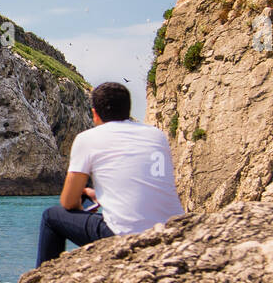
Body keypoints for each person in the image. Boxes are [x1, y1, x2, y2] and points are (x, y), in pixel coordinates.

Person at [35, 81, 184, 267]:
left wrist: (82, 200)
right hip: (172, 230)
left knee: (51, 217)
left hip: (126, 236)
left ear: (94, 113)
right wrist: (98, 195)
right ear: (128, 109)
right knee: (88, 198)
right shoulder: (157, 135)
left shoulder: (87, 139)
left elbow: (68, 202)